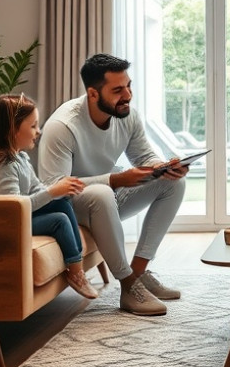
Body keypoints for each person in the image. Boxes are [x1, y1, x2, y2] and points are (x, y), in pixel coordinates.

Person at [38, 53, 188, 316]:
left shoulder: (127, 114)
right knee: (101, 193)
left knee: (173, 185)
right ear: (93, 94)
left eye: (128, 86)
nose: (128, 95)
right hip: (71, 206)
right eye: (118, 90)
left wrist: (164, 168)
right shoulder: (63, 126)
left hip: (108, 197)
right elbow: (54, 186)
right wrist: (115, 179)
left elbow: (145, 157)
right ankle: (127, 284)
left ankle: (139, 274)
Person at [0, 94, 98, 300]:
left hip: (19, 216)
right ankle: (76, 273)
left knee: (62, 202)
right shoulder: (3, 166)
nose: (38, 132)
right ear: (13, 130)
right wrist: (52, 191)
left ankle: (76, 263)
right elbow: (15, 207)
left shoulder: (19, 157)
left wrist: (58, 189)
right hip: (4, 223)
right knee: (59, 220)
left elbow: (36, 190)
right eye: (33, 126)